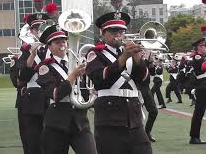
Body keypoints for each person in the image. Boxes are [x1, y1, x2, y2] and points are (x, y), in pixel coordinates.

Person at [86, 11, 152, 154]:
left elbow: (145, 81)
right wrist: (124, 56)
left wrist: (137, 58)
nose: (119, 34)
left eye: (122, 31)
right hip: (109, 120)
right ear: (103, 33)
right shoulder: (95, 53)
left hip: (134, 118)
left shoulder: (129, 53)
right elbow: (101, 79)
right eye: (113, 31)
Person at [36, 25, 97, 154]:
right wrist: (73, 75)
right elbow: (56, 95)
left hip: (80, 122)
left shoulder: (76, 63)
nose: (62, 44)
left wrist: (93, 92)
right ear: (49, 47)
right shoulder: (45, 68)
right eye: (57, 42)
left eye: (64, 41)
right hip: (56, 124)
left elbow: (85, 91)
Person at [16, 13, 50, 154]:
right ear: (30, 31)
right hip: (33, 101)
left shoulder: (53, 47)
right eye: (36, 28)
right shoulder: (25, 51)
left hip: (51, 98)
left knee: (52, 141)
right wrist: (32, 55)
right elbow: (22, 77)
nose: (39, 31)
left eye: (42, 27)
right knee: (33, 142)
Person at [188, 26, 206, 144]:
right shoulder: (197, 57)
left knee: (199, 113)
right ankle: (194, 137)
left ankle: (194, 136)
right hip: (203, 87)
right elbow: (203, 67)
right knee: (199, 113)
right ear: (199, 47)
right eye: (204, 45)